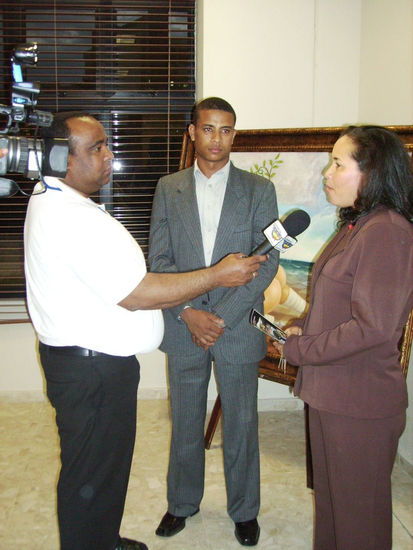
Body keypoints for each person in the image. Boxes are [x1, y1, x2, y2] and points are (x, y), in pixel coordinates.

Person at [23, 111, 267, 550]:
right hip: (100, 366)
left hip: (127, 357)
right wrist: (204, 291)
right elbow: (143, 283)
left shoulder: (56, 200)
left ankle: (108, 538)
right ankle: (145, 519)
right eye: (97, 147)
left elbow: (264, 264)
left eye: (105, 144)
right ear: (62, 157)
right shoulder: (77, 213)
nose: (109, 155)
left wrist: (222, 312)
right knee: (94, 471)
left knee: (104, 469)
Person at [273, 125, 413, 550]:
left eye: (338, 163)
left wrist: (300, 348)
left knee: (358, 523)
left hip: (360, 402)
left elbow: (373, 328)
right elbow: (343, 305)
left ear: (371, 172)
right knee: (334, 510)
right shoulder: (357, 226)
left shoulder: (387, 230)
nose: (326, 174)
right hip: (333, 393)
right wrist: (306, 326)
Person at [148, 97, 279, 546]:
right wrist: (188, 313)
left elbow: (267, 260)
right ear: (192, 132)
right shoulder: (169, 188)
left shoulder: (258, 190)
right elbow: (159, 261)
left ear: (234, 135)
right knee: (185, 420)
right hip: (185, 327)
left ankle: (245, 511)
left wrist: (218, 318)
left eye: (226, 130)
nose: (216, 139)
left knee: (241, 422)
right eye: (208, 129)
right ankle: (181, 504)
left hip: (236, 327)